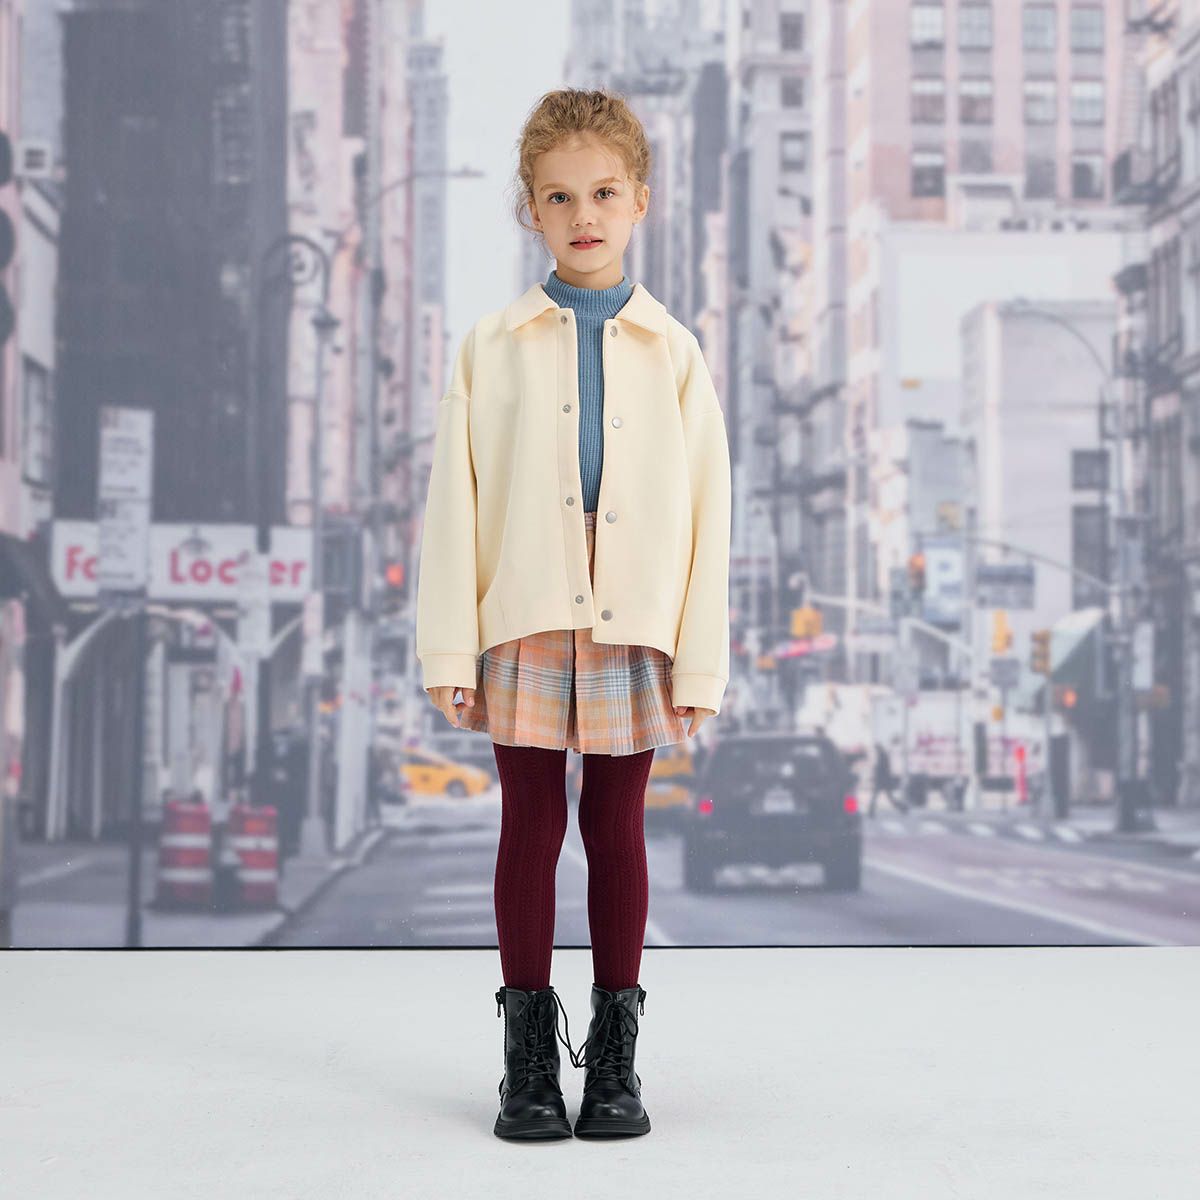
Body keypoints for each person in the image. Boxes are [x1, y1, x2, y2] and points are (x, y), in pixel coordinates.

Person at [414, 88, 732, 1143]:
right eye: (558, 197)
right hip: (526, 612)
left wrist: (699, 663)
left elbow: (710, 513)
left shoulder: (675, 350)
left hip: (636, 620)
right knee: (529, 824)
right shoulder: (490, 346)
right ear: (531, 210)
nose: (582, 214)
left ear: (640, 199)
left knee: (617, 827)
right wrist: (450, 646)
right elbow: (455, 503)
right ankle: (527, 1067)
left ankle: (616, 1063)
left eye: (602, 192)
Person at [869, 741, 908, 816]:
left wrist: (875, 773)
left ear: (878, 749)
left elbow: (881, 769)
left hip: (882, 781)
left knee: (878, 797)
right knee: (889, 798)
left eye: (875, 749)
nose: (875, 751)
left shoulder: (882, 756)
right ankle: (903, 807)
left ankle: (871, 812)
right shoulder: (883, 755)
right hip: (884, 781)